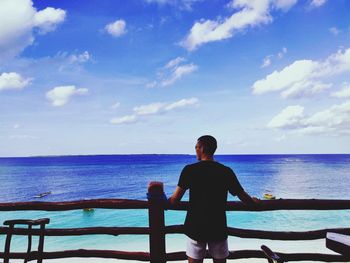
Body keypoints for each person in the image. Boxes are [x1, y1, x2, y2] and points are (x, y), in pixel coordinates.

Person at [169, 135, 259, 263]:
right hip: (218, 227)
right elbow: (243, 196)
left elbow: (174, 200)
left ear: (202, 148)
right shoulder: (226, 171)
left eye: (196, 147)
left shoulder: (189, 170)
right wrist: (254, 202)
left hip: (195, 227)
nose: (195, 151)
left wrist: (158, 199)